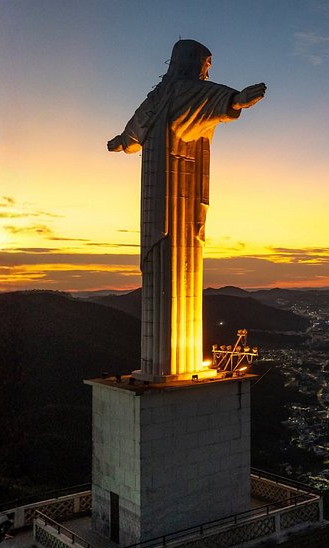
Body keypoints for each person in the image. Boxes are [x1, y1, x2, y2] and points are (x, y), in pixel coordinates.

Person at [108, 39, 265, 380]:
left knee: (181, 249)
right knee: (162, 257)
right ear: (190, 61)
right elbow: (139, 125)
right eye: (205, 63)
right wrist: (123, 140)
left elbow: (212, 101)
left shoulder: (186, 93)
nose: (208, 70)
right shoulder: (170, 93)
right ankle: (164, 367)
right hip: (160, 190)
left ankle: (172, 365)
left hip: (184, 189)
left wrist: (236, 100)